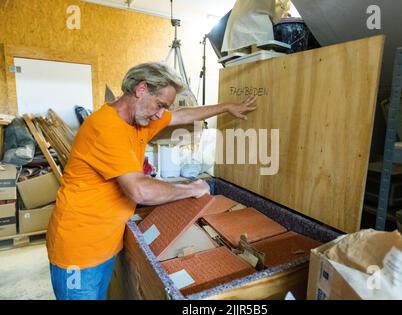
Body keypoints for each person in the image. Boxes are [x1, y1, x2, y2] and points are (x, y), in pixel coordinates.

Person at [46, 62, 257, 300]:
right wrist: (190, 189)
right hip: (79, 250)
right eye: (160, 105)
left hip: (104, 243)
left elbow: (182, 115)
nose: (160, 114)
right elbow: (139, 191)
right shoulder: (106, 128)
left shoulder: (138, 120)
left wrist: (226, 107)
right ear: (141, 89)